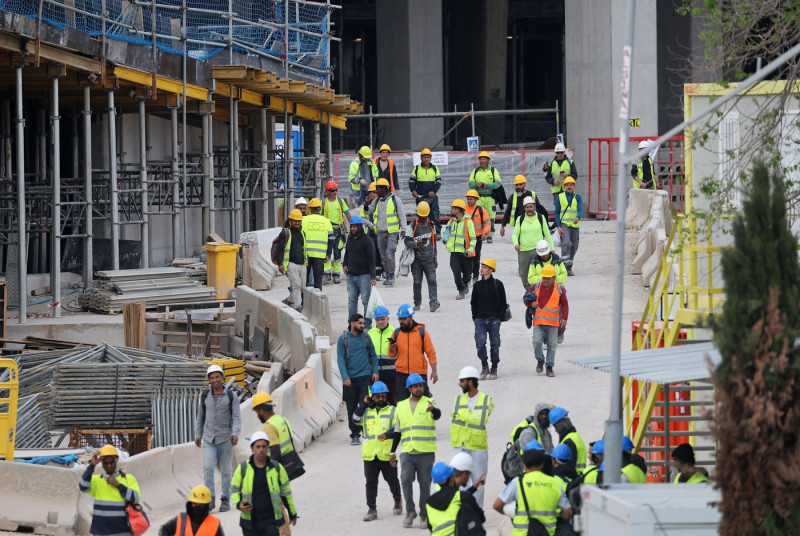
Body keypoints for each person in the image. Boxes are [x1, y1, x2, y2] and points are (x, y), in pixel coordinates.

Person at [390, 373, 442, 529]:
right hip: (407, 451)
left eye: (420, 386)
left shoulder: (430, 402)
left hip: (425, 452)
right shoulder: (401, 406)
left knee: (425, 484)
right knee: (405, 479)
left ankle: (424, 515)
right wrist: (392, 452)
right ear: (409, 389)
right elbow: (397, 431)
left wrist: (432, 410)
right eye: (415, 386)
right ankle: (410, 511)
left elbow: (437, 415)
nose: (419, 388)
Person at [493, 440, 573, 536]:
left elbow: (497, 506)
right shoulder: (555, 483)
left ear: (524, 465)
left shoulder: (518, 482)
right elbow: (568, 512)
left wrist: (514, 515)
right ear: (542, 464)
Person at [351, 380, 403, 521]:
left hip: (387, 454)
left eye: (383, 396)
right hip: (370, 455)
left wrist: (387, 434)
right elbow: (354, 419)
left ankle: (397, 499)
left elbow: (399, 428)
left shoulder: (393, 411)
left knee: (392, 480)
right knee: (371, 483)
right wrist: (364, 404)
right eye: (378, 396)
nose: (381, 399)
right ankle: (372, 509)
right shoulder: (366, 411)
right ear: (372, 397)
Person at [231, 432, 298, 536]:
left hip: (271, 522)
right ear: (252, 448)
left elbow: (286, 493)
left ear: (267, 448)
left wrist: (292, 513)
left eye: (264, 446)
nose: (261, 450)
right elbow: (234, 489)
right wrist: (238, 503)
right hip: (250, 523)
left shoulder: (277, 468)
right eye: (258, 447)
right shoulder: (243, 468)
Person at [194, 364, 241, 512]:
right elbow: (200, 416)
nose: (215, 380)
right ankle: (210, 499)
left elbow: (236, 416)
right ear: (209, 380)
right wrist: (198, 434)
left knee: (226, 470)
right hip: (209, 438)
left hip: (225, 438)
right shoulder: (205, 395)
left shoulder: (231, 396)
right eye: (212, 377)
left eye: (217, 377)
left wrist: (235, 433)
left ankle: (225, 499)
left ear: (222, 378)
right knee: (208, 468)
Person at [450, 365, 494, 507]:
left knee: (478, 484)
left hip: (477, 448)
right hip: (460, 447)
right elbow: (473, 418)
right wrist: (470, 417)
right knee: (459, 484)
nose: (459, 384)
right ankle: (462, 512)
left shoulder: (486, 400)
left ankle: (476, 513)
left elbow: (481, 420)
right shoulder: (458, 400)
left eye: (462, 381)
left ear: (470, 382)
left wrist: (463, 416)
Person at [79, 444, 141, 536]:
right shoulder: (98, 480)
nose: (109, 466)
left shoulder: (128, 479)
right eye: (106, 463)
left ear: (116, 462)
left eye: (111, 462)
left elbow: (135, 498)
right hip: (101, 532)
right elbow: (83, 486)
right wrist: (92, 466)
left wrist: (118, 485)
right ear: (102, 464)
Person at [337, 313, 379, 445]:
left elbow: (373, 355)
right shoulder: (343, 339)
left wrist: (375, 371)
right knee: (351, 408)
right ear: (352, 324)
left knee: (365, 406)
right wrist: (345, 377)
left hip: (365, 377)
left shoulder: (366, 337)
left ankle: (366, 431)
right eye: (360, 323)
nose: (363, 326)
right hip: (350, 380)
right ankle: (354, 434)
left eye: (363, 323)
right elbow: (340, 359)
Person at [524, 265, 568, 377]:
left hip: (553, 324)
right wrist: (530, 303)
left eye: (548, 278)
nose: (546, 281)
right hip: (538, 322)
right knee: (536, 342)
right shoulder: (536, 286)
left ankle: (549, 366)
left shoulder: (559, 289)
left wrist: (564, 318)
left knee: (552, 345)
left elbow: (565, 304)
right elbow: (525, 298)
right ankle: (540, 360)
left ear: (554, 278)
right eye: (544, 278)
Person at [388, 304, 438, 401]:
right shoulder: (396, 333)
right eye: (400, 319)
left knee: (424, 402)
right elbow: (391, 355)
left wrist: (434, 371)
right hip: (401, 373)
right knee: (402, 404)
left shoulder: (422, 332)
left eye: (404, 319)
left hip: (419, 373)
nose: (401, 321)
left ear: (410, 317)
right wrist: (391, 349)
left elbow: (431, 353)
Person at [251, 392, 305, 481]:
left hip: (278, 467)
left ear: (261, 411)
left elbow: (275, 453)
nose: (257, 415)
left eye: (257, 412)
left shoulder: (269, 426)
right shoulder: (282, 419)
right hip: (290, 462)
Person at [426, 461, 487, 535]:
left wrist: (473, 488)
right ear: (451, 479)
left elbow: (430, 527)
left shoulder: (428, 503)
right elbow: (481, 518)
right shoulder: (462, 497)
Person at [470, 258, 507, 380]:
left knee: (495, 344)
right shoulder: (477, 285)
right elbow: (473, 302)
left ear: (491, 270)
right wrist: (475, 317)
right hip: (480, 320)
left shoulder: (498, 284)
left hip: (494, 320)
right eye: (482, 267)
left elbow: (503, 302)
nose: (482, 269)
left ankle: (494, 367)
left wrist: (500, 318)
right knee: (480, 343)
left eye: (485, 267)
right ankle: (484, 365)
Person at [366, 178, 406, 286]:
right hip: (380, 233)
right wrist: (366, 204)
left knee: (389, 253)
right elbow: (368, 211)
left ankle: (391, 275)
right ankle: (388, 275)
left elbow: (402, 215)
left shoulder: (395, 200)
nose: (377, 191)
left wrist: (403, 229)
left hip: (392, 232)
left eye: (379, 188)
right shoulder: (376, 201)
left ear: (385, 188)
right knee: (383, 256)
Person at [404, 201, 440, 313]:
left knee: (432, 281)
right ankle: (417, 303)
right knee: (417, 282)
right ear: (417, 214)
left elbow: (434, 243)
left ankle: (433, 302)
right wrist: (417, 244)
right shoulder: (412, 226)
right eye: (421, 216)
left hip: (429, 259)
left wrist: (435, 257)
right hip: (417, 260)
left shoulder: (431, 225)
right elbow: (407, 242)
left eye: (425, 216)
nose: (423, 219)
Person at [342, 214, 377, 328]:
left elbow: (372, 260)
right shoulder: (350, 238)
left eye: (355, 227)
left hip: (364, 276)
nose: (352, 229)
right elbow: (347, 253)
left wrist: (373, 277)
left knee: (366, 301)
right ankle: (352, 324)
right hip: (351, 276)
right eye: (351, 226)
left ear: (359, 227)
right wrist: (345, 264)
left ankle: (367, 325)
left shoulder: (367, 241)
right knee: (352, 301)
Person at [513, 196, 554, 290]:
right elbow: (515, 234)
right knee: (523, 273)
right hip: (524, 251)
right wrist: (516, 244)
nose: (529, 209)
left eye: (531, 206)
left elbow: (547, 234)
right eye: (527, 207)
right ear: (524, 208)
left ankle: (538, 290)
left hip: (538, 251)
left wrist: (552, 248)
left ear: (534, 207)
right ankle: (529, 290)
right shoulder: (520, 219)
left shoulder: (540, 218)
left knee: (539, 272)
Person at [158, 485, 224, 536]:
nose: (197, 507)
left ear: (207, 505)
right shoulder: (181, 519)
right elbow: (164, 530)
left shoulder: (214, 523)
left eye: (201, 504)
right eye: (195, 504)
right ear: (190, 504)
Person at [274, 209, 306, 312]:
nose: (297, 223)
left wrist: (306, 261)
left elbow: (304, 248)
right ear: (290, 221)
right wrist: (280, 264)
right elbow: (279, 250)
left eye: (299, 221)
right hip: (291, 264)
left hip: (302, 263)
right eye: (295, 221)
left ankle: (289, 300)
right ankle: (297, 307)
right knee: (296, 285)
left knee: (302, 287)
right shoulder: (285, 233)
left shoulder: (302, 233)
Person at [445, 199, 476, 300]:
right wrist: (445, 240)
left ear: (458, 210)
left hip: (465, 252)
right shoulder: (451, 222)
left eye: (452, 208)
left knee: (467, 272)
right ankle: (461, 290)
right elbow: (446, 233)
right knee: (456, 271)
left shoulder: (468, 222)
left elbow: (473, 238)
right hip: (454, 252)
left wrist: (471, 249)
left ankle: (466, 281)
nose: (451, 210)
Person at [468, 151, 502, 242]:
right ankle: (479, 234)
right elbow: (470, 183)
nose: (481, 161)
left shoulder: (493, 171)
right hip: (479, 198)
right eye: (480, 159)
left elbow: (498, 183)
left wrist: (487, 186)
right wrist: (475, 185)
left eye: (483, 159)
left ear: (488, 160)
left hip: (490, 198)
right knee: (478, 216)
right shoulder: (475, 171)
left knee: (490, 217)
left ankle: (489, 235)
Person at [409, 148, 443, 239]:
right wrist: (413, 190)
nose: (426, 159)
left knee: (435, 214)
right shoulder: (416, 169)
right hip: (420, 197)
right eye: (424, 157)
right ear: (421, 158)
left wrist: (434, 191)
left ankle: (437, 233)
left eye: (427, 157)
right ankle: (422, 234)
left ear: (430, 158)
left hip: (432, 197)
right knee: (421, 217)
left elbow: (438, 182)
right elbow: (411, 181)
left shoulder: (435, 169)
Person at [302, 198, 334, 291]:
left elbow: (300, 237)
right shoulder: (326, 221)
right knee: (318, 281)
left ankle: (304, 298)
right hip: (320, 255)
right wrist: (328, 254)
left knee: (305, 281)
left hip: (306, 255)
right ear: (320, 208)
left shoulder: (304, 220)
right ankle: (318, 298)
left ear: (310, 209)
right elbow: (331, 239)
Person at [368, 305, 398, 404]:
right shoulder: (370, 334)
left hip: (392, 375)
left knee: (393, 402)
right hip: (375, 376)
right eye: (377, 320)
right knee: (376, 403)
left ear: (388, 318)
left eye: (382, 319)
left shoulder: (395, 333)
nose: (380, 322)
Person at [322, 180, 350, 284]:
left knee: (337, 253)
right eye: (332, 190)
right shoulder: (323, 203)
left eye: (336, 190)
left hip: (339, 231)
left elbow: (347, 214)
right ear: (327, 191)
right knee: (327, 253)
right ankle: (326, 273)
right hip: (327, 232)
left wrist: (354, 226)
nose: (335, 192)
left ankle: (336, 274)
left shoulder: (340, 201)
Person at [555, 177, 581, 276]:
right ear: (564, 186)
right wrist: (558, 226)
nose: (569, 187)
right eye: (567, 185)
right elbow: (557, 212)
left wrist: (578, 217)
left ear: (574, 186)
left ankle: (569, 267)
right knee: (566, 243)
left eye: (571, 185)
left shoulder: (577, 197)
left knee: (574, 245)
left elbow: (580, 209)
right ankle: (564, 266)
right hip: (564, 224)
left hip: (575, 225)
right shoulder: (560, 197)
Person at [548, 408, 588, 474]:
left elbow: (566, 468)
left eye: (555, 427)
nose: (555, 430)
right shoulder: (575, 436)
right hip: (579, 477)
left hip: (572, 478)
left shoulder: (568, 442)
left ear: (559, 426)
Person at [464, 189, 491, 282]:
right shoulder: (464, 210)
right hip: (466, 239)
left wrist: (485, 233)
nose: (469, 201)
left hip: (477, 238)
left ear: (476, 199)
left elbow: (488, 223)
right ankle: (467, 277)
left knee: (476, 259)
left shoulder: (481, 210)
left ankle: (475, 278)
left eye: (471, 199)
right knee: (466, 259)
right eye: (468, 199)